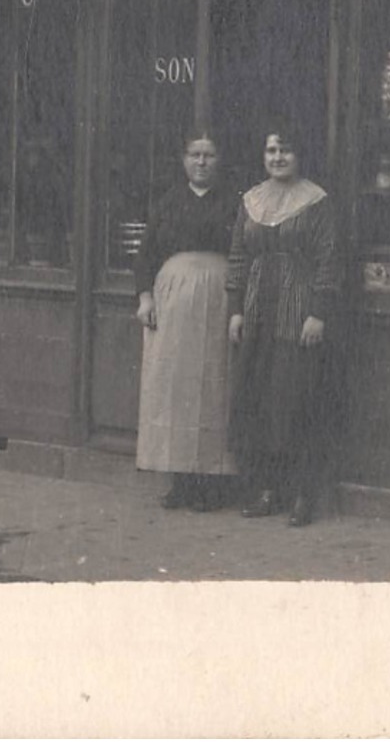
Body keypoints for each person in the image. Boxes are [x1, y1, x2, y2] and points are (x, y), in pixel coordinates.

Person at [227, 123, 341, 527]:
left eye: (286, 151)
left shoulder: (316, 202)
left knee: (294, 401)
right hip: (259, 312)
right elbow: (238, 257)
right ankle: (267, 488)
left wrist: (318, 312)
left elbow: (329, 261)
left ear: (299, 156)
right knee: (260, 401)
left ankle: (302, 494)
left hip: (297, 312)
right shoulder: (251, 200)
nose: (278, 158)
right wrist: (236, 309)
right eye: (272, 150)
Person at [134, 130, 238, 510]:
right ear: (183, 160)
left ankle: (212, 483)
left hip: (218, 303)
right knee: (175, 387)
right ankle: (180, 481)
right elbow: (146, 255)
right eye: (195, 154)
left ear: (219, 161)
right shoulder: (167, 203)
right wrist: (145, 296)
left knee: (212, 386)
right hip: (173, 305)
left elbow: (242, 256)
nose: (201, 162)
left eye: (209, 155)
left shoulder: (233, 204)